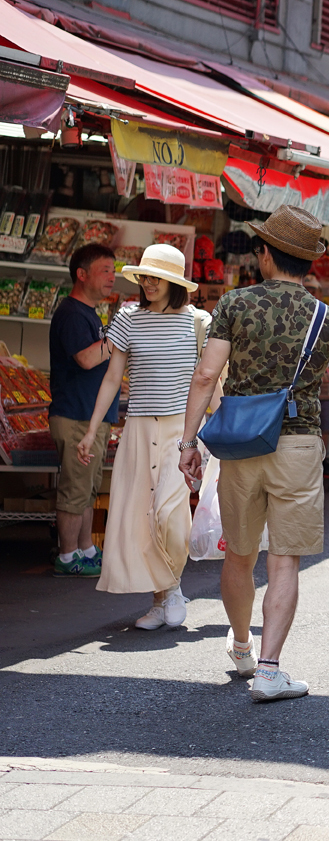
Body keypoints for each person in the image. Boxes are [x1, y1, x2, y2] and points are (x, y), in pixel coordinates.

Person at [178, 206, 329, 702]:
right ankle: (269, 670)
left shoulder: (235, 305)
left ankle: (241, 647)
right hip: (299, 444)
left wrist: (188, 440)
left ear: (264, 253)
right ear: (309, 262)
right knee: (284, 562)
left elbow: (204, 376)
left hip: (240, 442)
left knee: (239, 555)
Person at [78, 245, 208, 629]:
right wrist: (91, 430)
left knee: (170, 516)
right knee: (141, 517)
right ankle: (162, 598)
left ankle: (171, 589)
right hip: (137, 428)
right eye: (144, 277)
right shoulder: (128, 318)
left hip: (181, 430)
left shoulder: (198, 322)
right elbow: (112, 378)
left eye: (157, 277)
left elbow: (209, 380)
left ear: (174, 283)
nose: (148, 283)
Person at [49, 243, 117, 577]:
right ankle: (67, 556)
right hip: (76, 417)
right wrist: (119, 337)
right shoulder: (72, 313)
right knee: (76, 489)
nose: (112, 278)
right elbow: (87, 358)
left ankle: (86, 549)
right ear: (82, 274)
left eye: (113, 271)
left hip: (89, 418)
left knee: (88, 489)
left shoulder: (88, 313)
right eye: (105, 270)